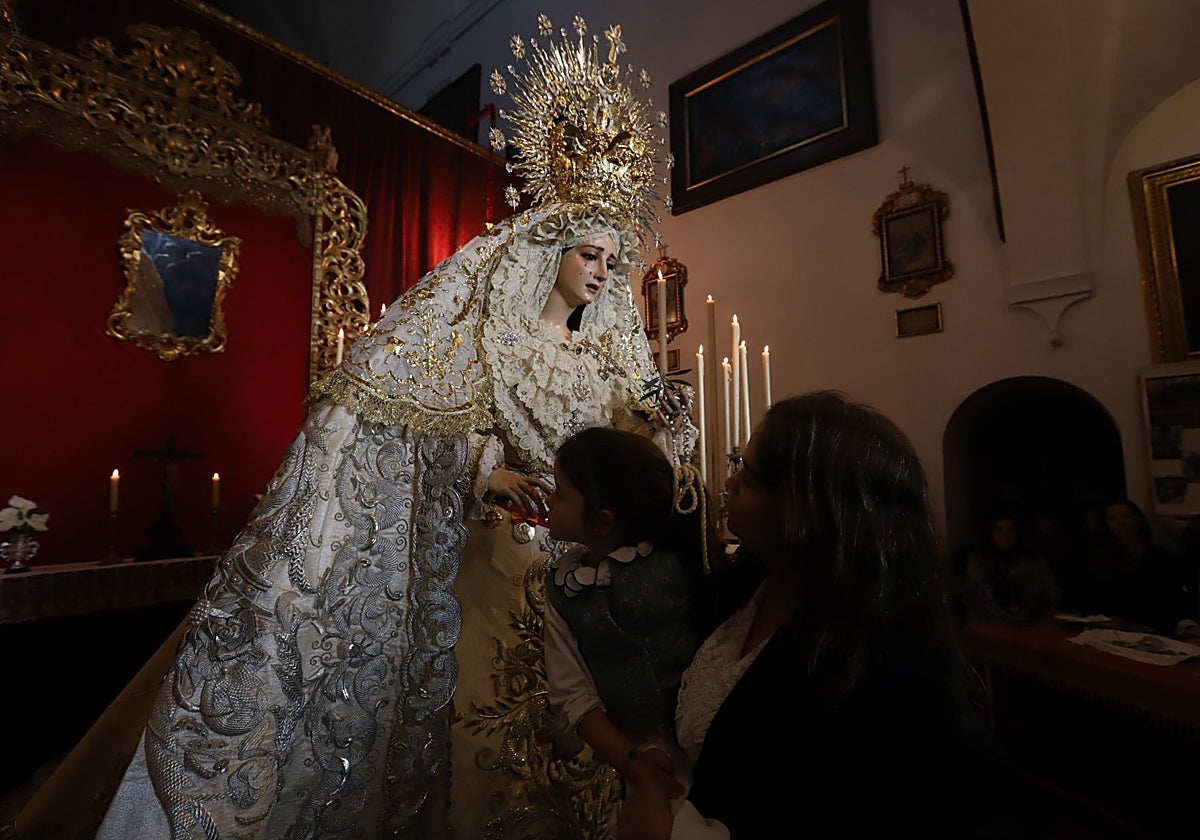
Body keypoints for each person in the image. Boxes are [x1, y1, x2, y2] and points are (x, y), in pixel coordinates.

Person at [7, 15, 692, 840]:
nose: (601, 273)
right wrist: (487, 471)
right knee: (486, 739)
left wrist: (657, 419)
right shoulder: (494, 338)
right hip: (502, 561)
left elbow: (632, 460)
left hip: (583, 567)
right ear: (546, 251)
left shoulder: (600, 362)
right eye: (588, 254)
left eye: (611, 262)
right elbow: (447, 420)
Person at [617, 392, 1043, 839]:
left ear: (807, 511)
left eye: (751, 476)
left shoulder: (878, 665)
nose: (728, 483)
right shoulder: (745, 584)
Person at [542, 427, 717, 809]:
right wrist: (632, 762)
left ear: (602, 522)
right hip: (639, 758)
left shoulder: (677, 565)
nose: (548, 499)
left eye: (561, 493)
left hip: (713, 745)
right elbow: (572, 692)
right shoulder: (563, 588)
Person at [1080, 499, 1196, 631]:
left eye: (1127, 517)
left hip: (1152, 630)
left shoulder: (1162, 559)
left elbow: (1172, 603)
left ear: (1139, 520)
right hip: (1108, 631)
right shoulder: (1102, 560)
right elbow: (1096, 599)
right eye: (1113, 519)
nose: (1120, 523)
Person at [961, 514, 1060, 623]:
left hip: (1030, 622)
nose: (1005, 534)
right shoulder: (979, 559)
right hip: (990, 623)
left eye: (1010, 530)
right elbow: (977, 598)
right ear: (992, 533)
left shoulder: (1033, 559)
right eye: (1000, 529)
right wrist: (1007, 620)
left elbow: (1050, 591)